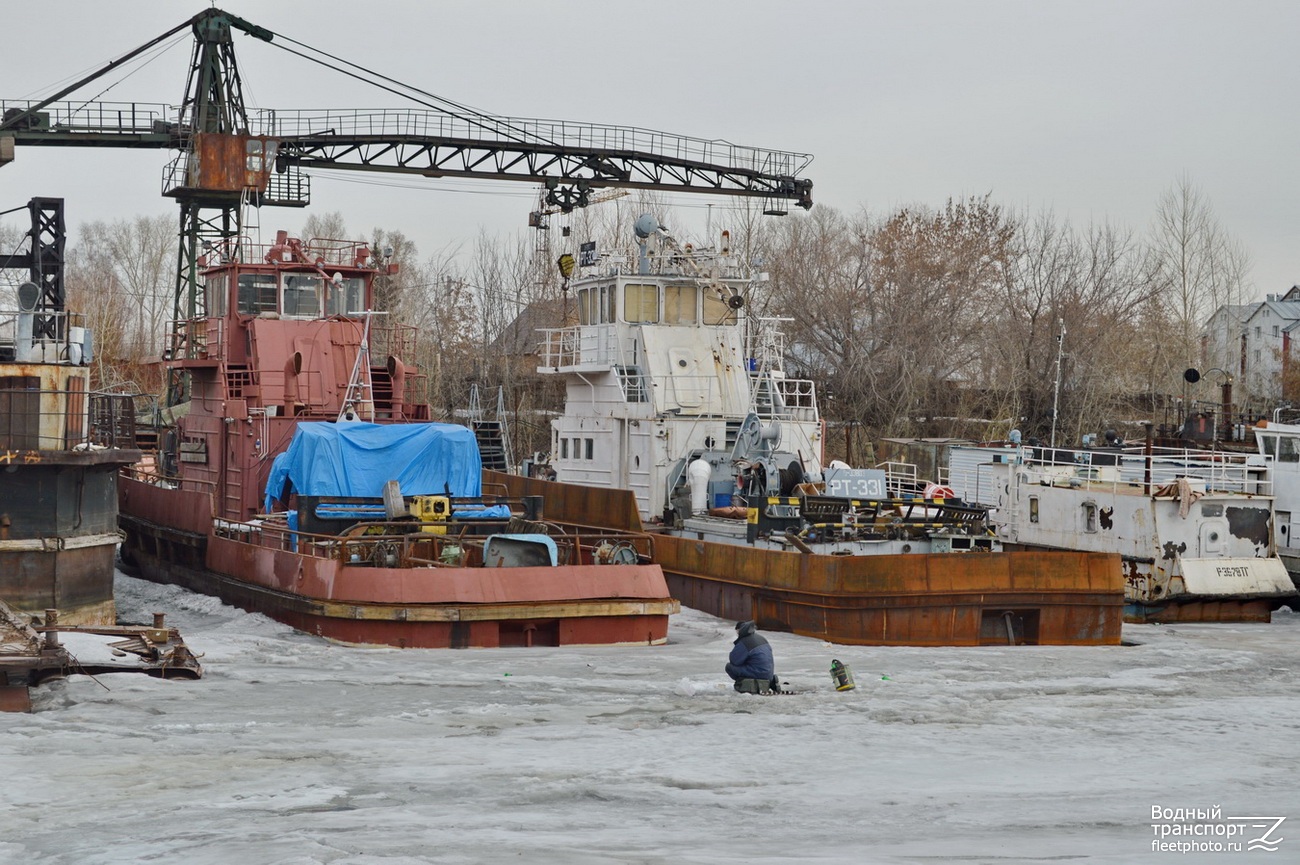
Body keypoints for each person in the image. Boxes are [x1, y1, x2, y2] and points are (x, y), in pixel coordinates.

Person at [726, 620, 778, 693]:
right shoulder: (762, 638)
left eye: (737, 630)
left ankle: (746, 684)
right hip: (769, 674)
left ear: (739, 630)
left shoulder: (745, 641)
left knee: (729, 667)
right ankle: (767, 682)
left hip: (758, 673)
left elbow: (734, 660)